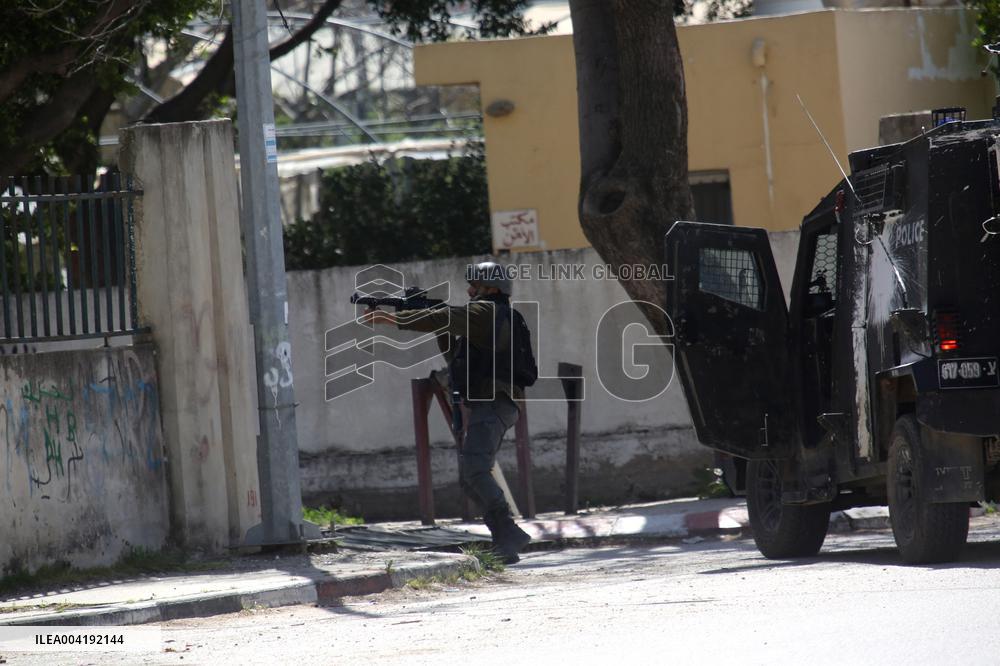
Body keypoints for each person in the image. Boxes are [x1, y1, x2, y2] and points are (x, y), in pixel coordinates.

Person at [363, 261, 532, 563]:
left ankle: (508, 533)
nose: (469, 291)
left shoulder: (486, 312)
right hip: (490, 403)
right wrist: (435, 320)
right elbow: (454, 353)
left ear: (491, 289)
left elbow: (445, 316)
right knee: (470, 477)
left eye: (475, 286)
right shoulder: (487, 317)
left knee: (476, 470)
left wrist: (393, 318)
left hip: (495, 402)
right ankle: (505, 538)